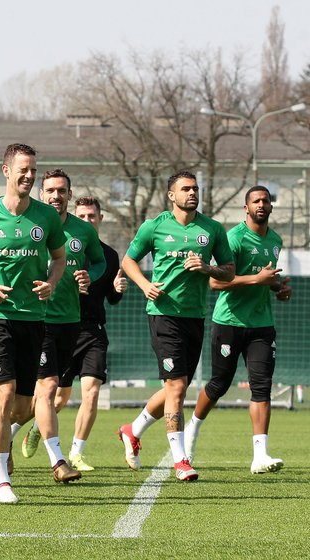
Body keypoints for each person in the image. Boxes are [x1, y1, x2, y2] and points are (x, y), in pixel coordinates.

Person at [0, 145, 68, 503]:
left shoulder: (46, 218)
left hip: (33, 319)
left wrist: (52, 283)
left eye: (32, 169)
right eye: (22, 169)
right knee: (3, 396)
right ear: (6, 171)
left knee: (22, 408)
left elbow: (59, 257)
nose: (28, 175)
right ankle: (1, 479)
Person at [118, 170, 234, 482]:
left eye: (195, 188)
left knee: (172, 386)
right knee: (178, 386)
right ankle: (180, 459)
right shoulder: (154, 226)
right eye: (185, 189)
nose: (192, 193)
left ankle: (132, 429)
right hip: (162, 313)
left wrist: (207, 267)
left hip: (195, 316)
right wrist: (144, 284)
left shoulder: (212, 229)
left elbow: (229, 272)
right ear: (172, 195)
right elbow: (129, 260)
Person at [184, 186, 291, 474]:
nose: (261, 204)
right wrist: (258, 279)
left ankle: (260, 456)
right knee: (219, 384)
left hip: (261, 325)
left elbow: (266, 280)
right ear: (246, 208)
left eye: (265, 200)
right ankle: (191, 433)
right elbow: (216, 283)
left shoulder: (276, 240)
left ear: (271, 207)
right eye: (255, 200)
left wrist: (278, 288)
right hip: (229, 322)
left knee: (262, 387)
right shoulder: (233, 238)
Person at [22, 195, 126, 471]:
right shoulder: (54, 241)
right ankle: (35, 427)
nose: (87, 220)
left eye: (92, 216)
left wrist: (117, 290)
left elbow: (111, 299)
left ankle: (77, 452)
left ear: (100, 219)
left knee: (91, 391)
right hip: (60, 325)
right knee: (57, 397)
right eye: (82, 216)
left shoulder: (108, 256)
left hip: (93, 330)